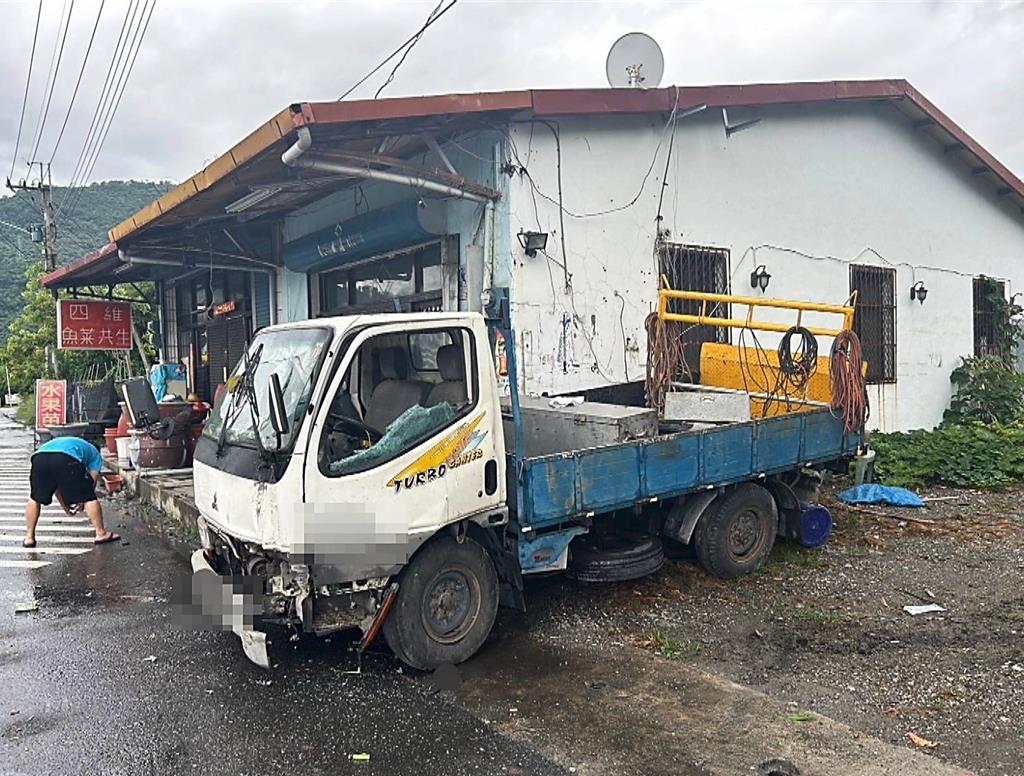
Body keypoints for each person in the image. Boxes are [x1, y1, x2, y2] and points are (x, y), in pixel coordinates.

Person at [23, 436, 120, 548]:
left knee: (35, 497)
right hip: (65, 457)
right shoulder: (95, 454)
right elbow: (91, 483)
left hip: (39, 458)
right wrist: (83, 498)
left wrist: (64, 505)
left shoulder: (75, 444)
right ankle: (101, 533)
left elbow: (56, 484)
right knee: (89, 496)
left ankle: (29, 537)